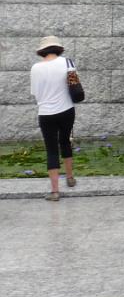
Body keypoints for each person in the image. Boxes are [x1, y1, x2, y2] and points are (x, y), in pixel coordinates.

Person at [29, 36, 77, 201]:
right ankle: (70, 178)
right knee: (65, 141)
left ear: (42, 51)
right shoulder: (67, 62)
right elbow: (74, 86)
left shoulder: (36, 68)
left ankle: (55, 192)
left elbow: (35, 93)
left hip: (46, 113)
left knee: (51, 149)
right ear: (58, 49)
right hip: (67, 111)